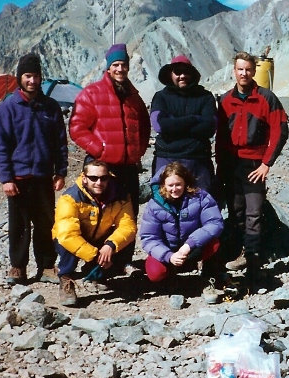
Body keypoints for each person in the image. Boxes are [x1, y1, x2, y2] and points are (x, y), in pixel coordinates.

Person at [69, 43, 150, 274]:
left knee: (128, 214)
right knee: (99, 216)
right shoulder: (92, 93)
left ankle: (122, 262)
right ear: (108, 68)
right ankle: (95, 263)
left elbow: (144, 125)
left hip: (128, 167)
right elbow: (77, 128)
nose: (120, 69)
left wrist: (139, 150)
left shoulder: (133, 95)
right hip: (102, 168)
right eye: (115, 64)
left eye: (124, 64)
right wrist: (100, 150)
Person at [0, 52, 68, 285]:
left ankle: (46, 266)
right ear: (19, 78)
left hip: (44, 176)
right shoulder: (8, 107)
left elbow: (60, 142)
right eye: (27, 76)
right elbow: (1, 146)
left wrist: (61, 171)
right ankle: (18, 267)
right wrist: (6, 178)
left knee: (46, 223)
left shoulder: (51, 107)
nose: (32, 81)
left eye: (36, 76)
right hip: (18, 177)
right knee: (19, 224)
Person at [216, 51, 289, 284]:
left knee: (254, 213)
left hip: (254, 164)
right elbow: (220, 136)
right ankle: (239, 253)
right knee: (236, 212)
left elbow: (281, 130)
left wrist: (267, 163)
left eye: (248, 69)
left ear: (254, 71)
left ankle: (254, 260)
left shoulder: (267, 98)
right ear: (234, 71)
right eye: (240, 69)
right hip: (230, 164)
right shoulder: (226, 100)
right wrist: (221, 166)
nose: (244, 73)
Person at [52, 159, 137, 306]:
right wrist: (95, 255)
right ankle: (66, 279)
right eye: (93, 178)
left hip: (101, 237)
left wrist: (110, 245)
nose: (99, 182)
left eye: (103, 178)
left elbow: (127, 226)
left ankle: (97, 274)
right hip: (74, 238)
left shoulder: (120, 196)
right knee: (68, 245)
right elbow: (68, 234)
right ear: (84, 178)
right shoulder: (70, 197)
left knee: (123, 240)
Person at [139, 162, 224, 284]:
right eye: (170, 185)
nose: (174, 189)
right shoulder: (154, 205)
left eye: (178, 184)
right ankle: (170, 278)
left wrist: (189, 245)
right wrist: (169, 256)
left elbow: (214, 223)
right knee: (155, 272)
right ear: (163, 185)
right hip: (168, 250)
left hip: (192, 248)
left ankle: (209, 275)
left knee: (214, 243)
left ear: (185, 182)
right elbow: (149, 237)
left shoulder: (200, 197)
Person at [150, 55, 217, 192]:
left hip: (197, 160)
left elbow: (210, 127)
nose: (182, 76)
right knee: (165, 203)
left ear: (192, 74)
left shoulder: (205, 96)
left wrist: (174, 123)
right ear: (170, 74)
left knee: (201, 203)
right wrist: (194, 119)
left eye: (186, 72)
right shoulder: (161, 97)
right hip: (166, 158)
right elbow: (160, 125)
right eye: (178, 72)